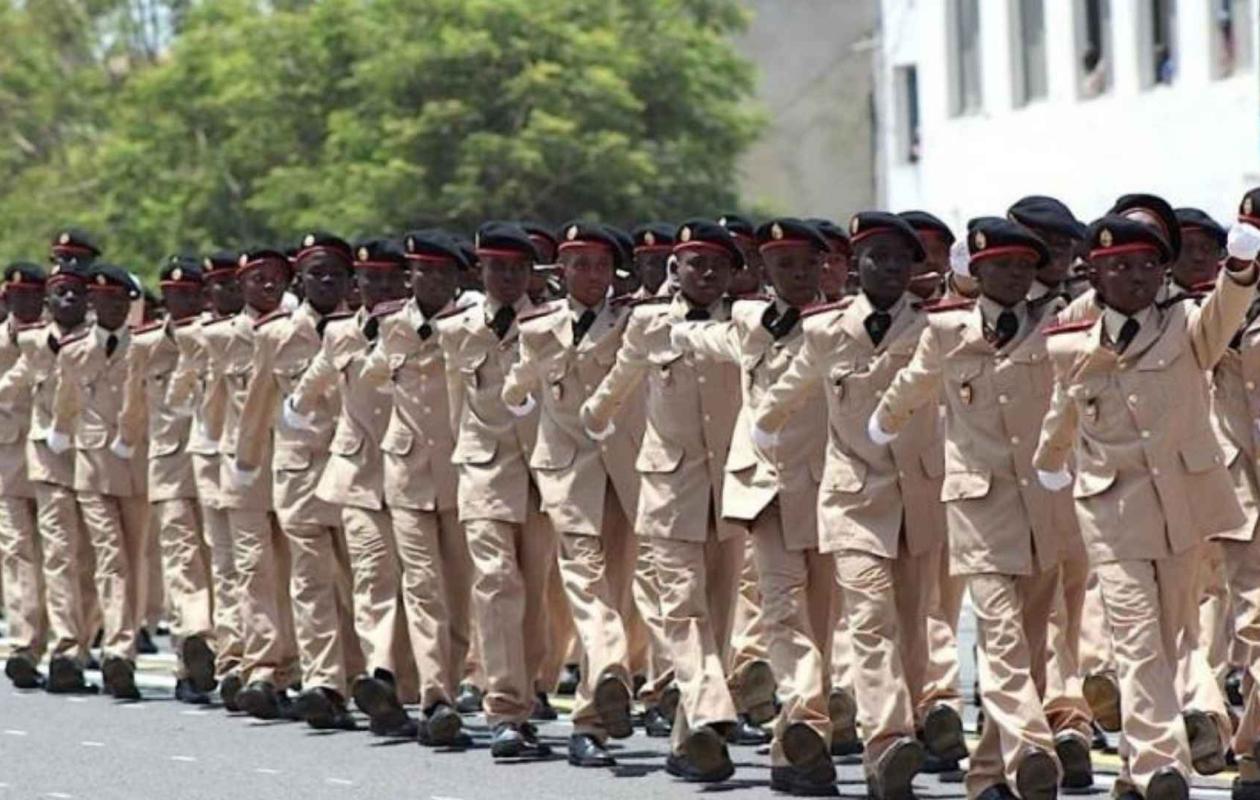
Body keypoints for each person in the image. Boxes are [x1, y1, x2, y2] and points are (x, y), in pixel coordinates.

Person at [1034, 213, 1259, 800]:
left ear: (1163, 270)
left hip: (1184, 508)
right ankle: (1163, 763)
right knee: (1135, 639)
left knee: (1170, 636)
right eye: (1116, 267)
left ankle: (1136, 772)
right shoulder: (1072, 344)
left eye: (1143, 264)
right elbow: (1063, 411)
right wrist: (1050, 460)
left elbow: (1228, 308)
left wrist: (1238, 269)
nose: (1132, 276)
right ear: (1094, 275)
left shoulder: (1188, 327)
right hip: (1113, 514)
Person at [874, 218, 1087, 800]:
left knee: (1033, 641)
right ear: (978, 271)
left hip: (1044, 507)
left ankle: (987, 776)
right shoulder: (948, 330)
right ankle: (1031, 748)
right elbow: (914, 382)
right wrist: (881, 424)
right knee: (1001, 635)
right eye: (1003, 266)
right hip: (978, 509)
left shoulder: (1061, 322)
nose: (1016, 275)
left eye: (1025, 266)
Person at [753, 211, 957, 800]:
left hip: (917, 497)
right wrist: (766, 432)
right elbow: (787, 388)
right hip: (852, 502)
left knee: (914, 629)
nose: (889, 268)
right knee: (869, 619)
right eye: (877, 258)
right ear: (855, 265)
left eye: (900, 259)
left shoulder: (932, 329)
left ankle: (905, 720)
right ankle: (885, 740)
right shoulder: (824, 331)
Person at [672, 217, 836, 796]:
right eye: (782, 263)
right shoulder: (745, 320)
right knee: (784, 611)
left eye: (805, 263)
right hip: (763, 487)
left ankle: (791, 745)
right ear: (763, 270)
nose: (795, 273)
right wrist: (668, 323)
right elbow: (697, 336)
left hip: (826, 489)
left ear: (822, 268)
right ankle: (805, 722)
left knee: (826, 615)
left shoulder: (838, 325)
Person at [582, 219, 747, 781]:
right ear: (674, 269)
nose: (705, 274)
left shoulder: (743, 324)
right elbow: (621, 379)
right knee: (681, 608)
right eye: (694, 264)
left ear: (732, 275)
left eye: (717, 266)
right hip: (669, 487)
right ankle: (710, 707)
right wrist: (595, 419)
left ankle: (690, 742)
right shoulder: (649, 323)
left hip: (730, 490)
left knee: (720, 614)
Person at [501, 222, 645, 768]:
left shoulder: (632, 322)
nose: (590, 275)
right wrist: (531, 412)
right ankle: (605, 682)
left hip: (626, 475)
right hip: (566, 475)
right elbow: (514, 392)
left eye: (600, 265)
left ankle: (594, 717)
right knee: (586, 582)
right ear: (560, 271)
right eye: (579, 264)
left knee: (618, 586)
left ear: (614, 273)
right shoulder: (538, 329)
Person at [285, 237, 421, 735]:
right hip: (347, 477)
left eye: (389, 278)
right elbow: (295, 396)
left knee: (414, 584)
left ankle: (401, 684)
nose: (378, 287)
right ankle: (354, 679)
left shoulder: (419, 329)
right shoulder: (339, 334)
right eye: (371, 279)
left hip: (413, 476)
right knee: (361, 579)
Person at [234, 233, 364, 730]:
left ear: (349, 280)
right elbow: (257, 404)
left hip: (356, 470)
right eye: (315, 274)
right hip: (300, 474)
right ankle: (323, 683)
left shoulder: (362, 330)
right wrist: (246, 462)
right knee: (310, 582)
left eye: (334, 273)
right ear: (300, 280)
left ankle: (362, 679)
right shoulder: (276, 335)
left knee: (358, 580)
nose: (325, 282)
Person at [435, 222, 555, 760]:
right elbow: (455, 407)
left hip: (546, 474)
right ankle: (503, 709)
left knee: (532, 595)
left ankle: (525, 699)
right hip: (484, 472)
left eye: (517, 268)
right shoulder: (457, 331)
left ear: (532, 273)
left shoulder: (553, 325)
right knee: (496, 582)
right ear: (479, 271)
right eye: (497, 267)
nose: (507, 277)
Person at [358, 229, 477, 747]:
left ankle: (447, 685)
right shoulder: (389, 326)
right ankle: (436, 699)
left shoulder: (472, 325)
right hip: (405, 474)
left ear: (456, 278)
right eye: (421, 271)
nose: (429, 280)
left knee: (457, 591)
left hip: (460, 473)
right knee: (422, 588)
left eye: (440, 272)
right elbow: (367, 386)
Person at [117, 257, 218, 705]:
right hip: (170, 466)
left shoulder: (217, 339)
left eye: (190, 294)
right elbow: (133, 404)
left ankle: (221, 652)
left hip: (218, 466)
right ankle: (191, 651)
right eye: (173, 295)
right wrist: (125, 443)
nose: (181, 302)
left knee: (220, 562)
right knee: (181, 560)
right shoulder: (146, 346)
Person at [47, 263, 149, 701]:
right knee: (110, 558)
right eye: (100, 300)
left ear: (128, 305)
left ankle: (114, 643)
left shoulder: (145, 348)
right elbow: (65, 402)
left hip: (138, 468)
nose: (107, 307)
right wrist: (58, 435)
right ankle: (119, 651)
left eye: (116, 300)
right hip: (91, 467)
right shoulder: (73, 351)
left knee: (135, 558)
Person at [0, 262, 50, 690]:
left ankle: (73, 641)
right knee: (17, 552)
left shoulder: (55, 339)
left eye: (33, 296)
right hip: (8, 460)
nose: (26, 304)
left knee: (65, 555)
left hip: (56, 460)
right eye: (17, 297)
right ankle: (24, 644)